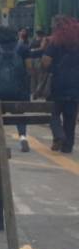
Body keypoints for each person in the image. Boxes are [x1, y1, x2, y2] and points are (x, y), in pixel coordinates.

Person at [0, 27, 37, 152]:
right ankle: (23, 137)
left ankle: (0, 140)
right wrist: (29, 84)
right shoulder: (23, 48)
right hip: (19, 89)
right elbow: (29, 67)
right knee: (19, 113)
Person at [42, 15, 79, 154]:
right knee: (70, 116)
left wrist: (48, 67)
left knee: (54, 112)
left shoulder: (55, 41)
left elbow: (46, 61)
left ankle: (58, 135)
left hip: (59, 82)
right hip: (75, 83)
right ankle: (68, 146)